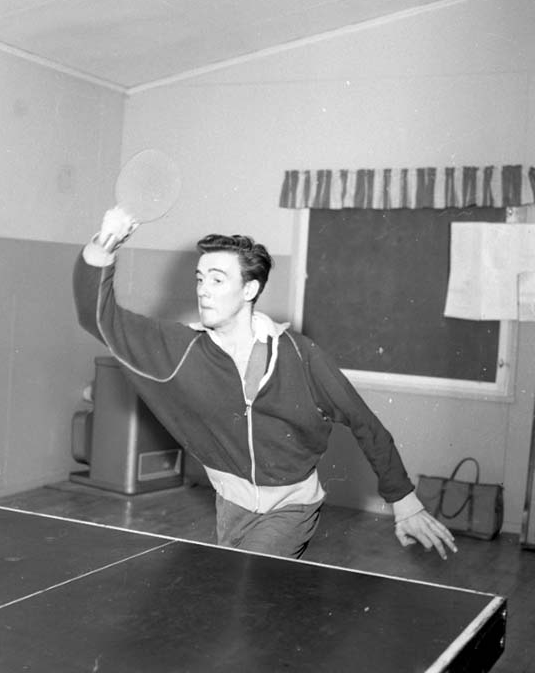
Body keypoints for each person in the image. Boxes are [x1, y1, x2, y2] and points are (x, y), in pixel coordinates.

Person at [73, 206, 457, 560]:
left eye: (217, 279)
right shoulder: (179, 350)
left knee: (247, 584)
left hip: (291, 508)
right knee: (244, 599)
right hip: (230, 505)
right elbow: (97, 318)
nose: (203, 289)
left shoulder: (300, 354)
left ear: (249, 290)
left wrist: (404, 500)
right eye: (200, 279)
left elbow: (364, 422)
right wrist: (105, 244)